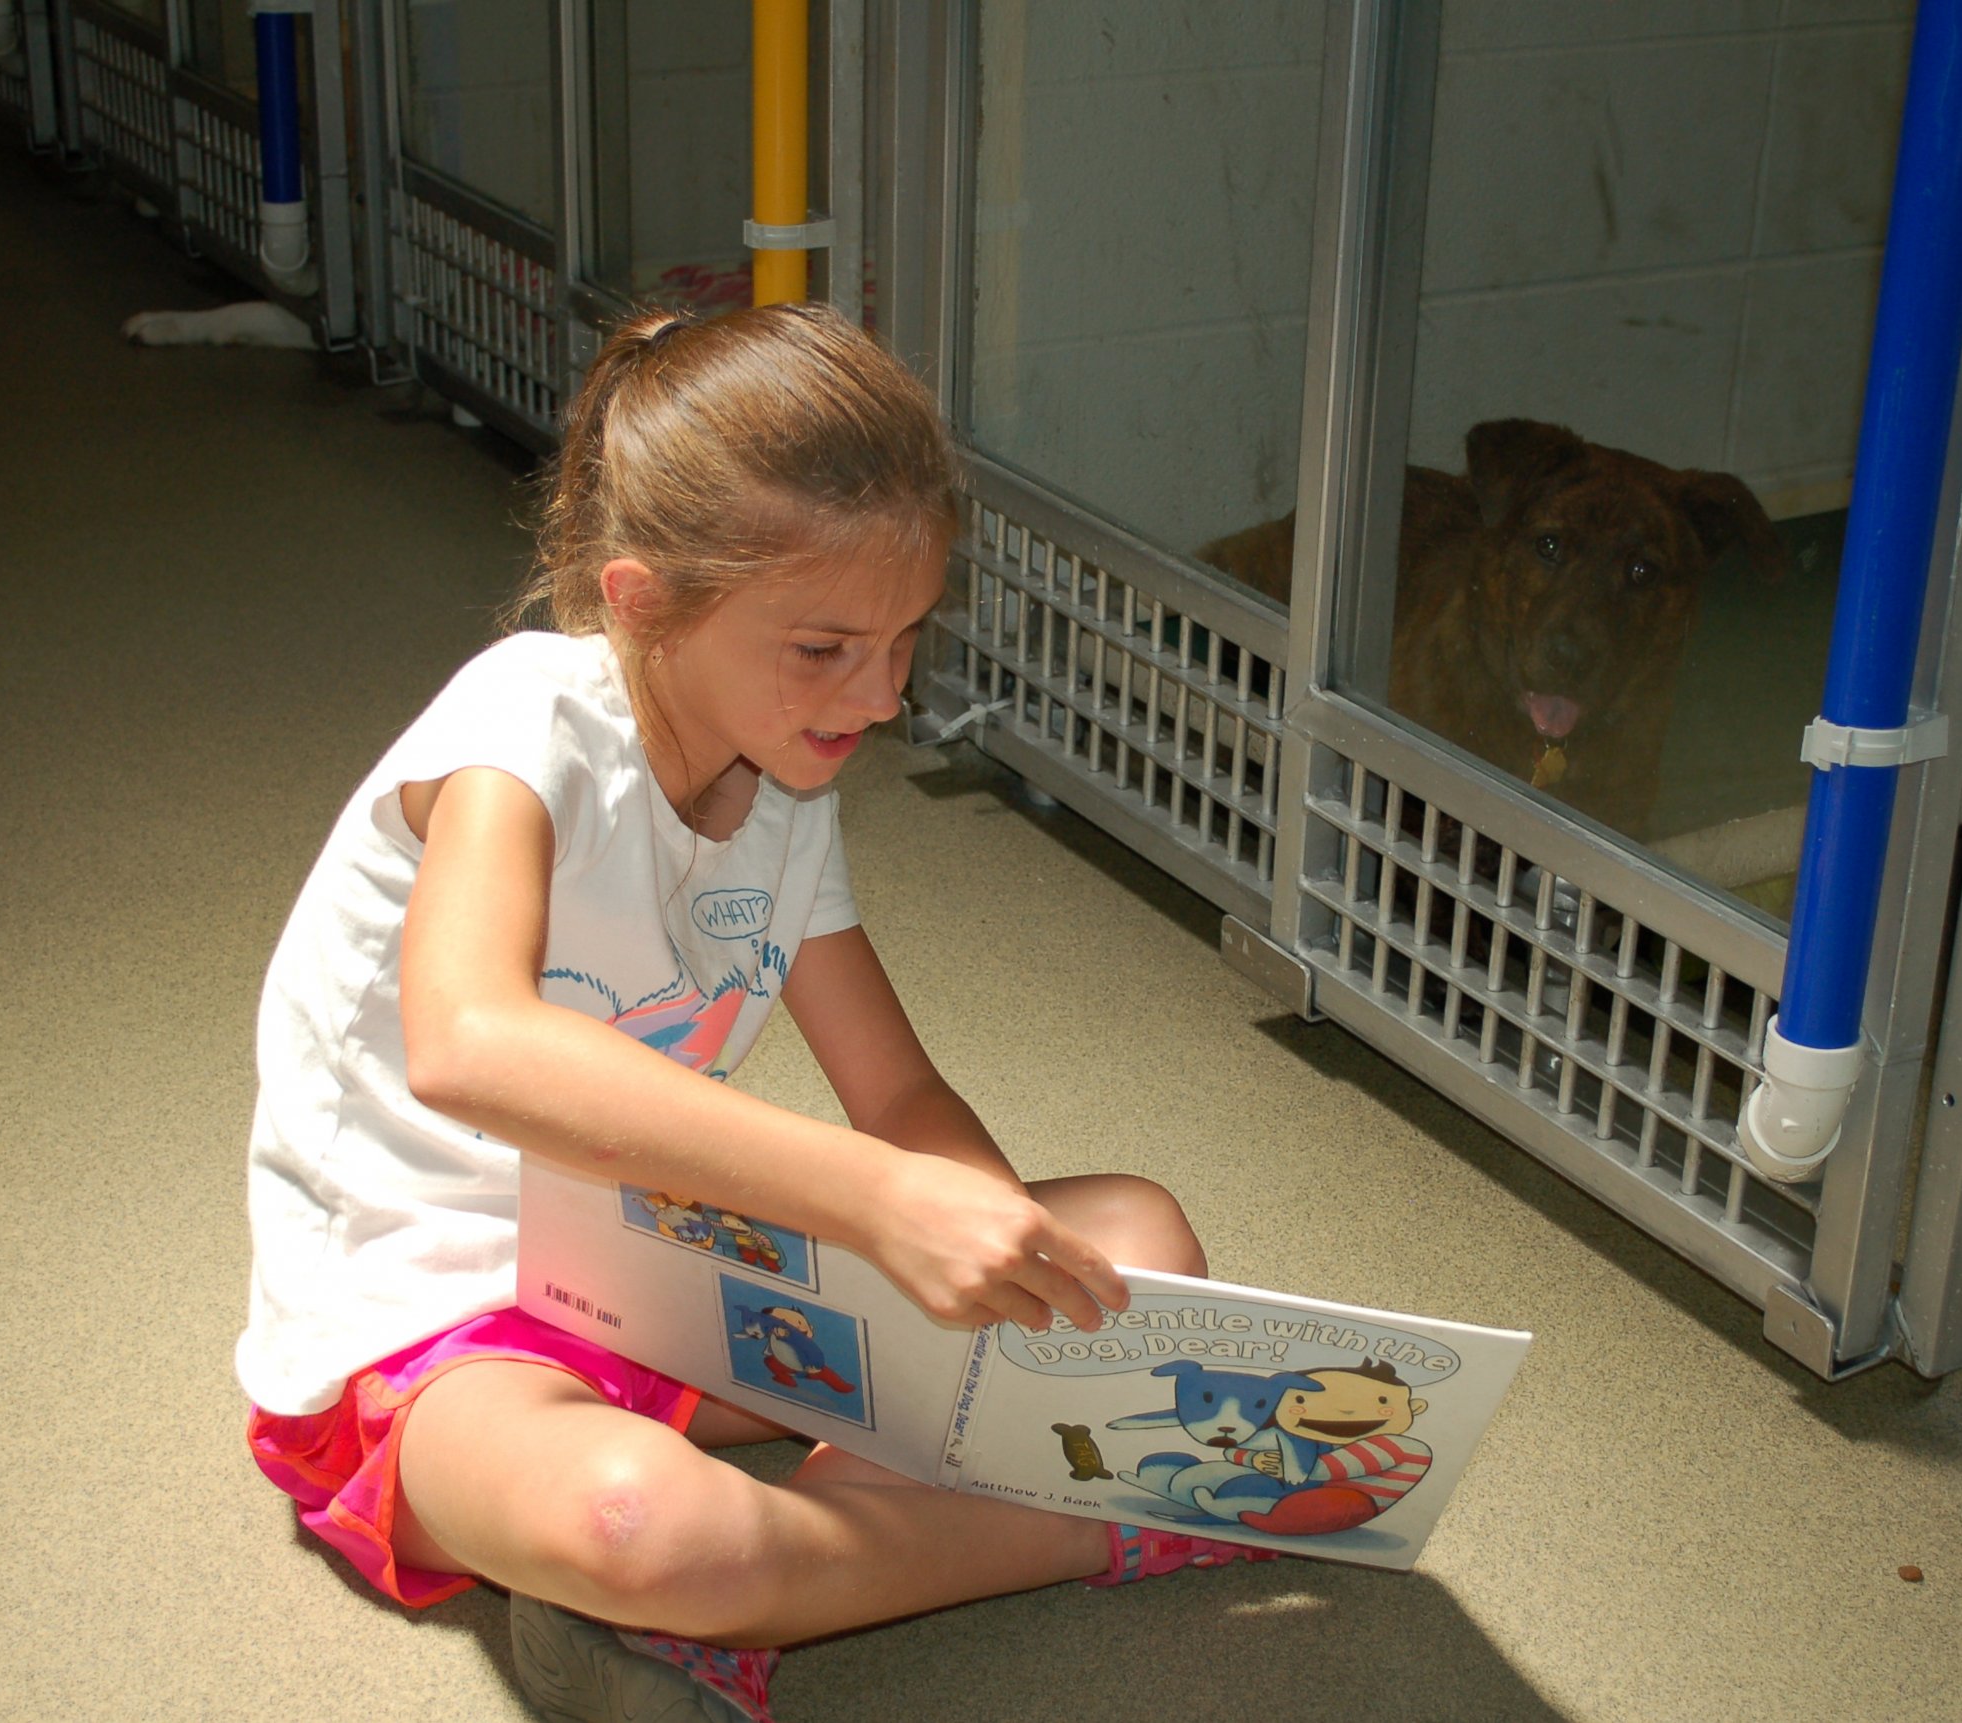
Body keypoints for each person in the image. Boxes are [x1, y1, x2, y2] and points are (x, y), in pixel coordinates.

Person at [234, 303, 1269, 1723]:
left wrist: (969, 1239)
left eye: (906, 639)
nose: (883, 695)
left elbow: (899, 1101)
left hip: (656, 1280)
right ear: (644, 600)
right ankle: (1101, 1520)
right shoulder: (521, 721)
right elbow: (468, 1045)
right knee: (636, 1527)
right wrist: (876, 1207)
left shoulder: (785, 790)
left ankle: (700, 1615)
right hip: (434, 1322)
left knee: (1131, 1239)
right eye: (826, 647)